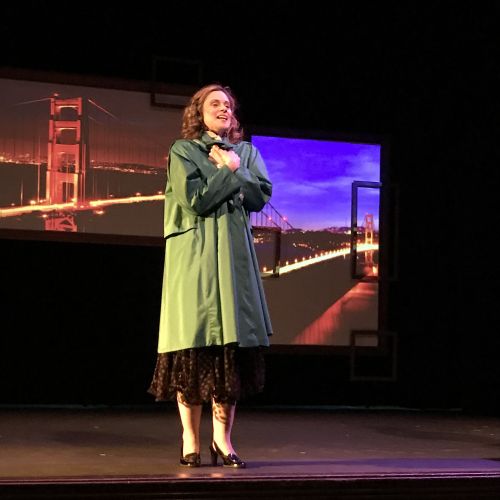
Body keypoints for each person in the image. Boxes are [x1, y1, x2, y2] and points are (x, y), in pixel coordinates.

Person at [148, 83, 273, 468]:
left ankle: (223, 439)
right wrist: (228, 173)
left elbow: (259, 197)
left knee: (228, 351)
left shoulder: (247, 152)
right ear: (198, 112)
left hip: (233, 259)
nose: (223, 109)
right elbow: (195, 201)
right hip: (196, 258)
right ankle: (190, 440)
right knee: (194, 344)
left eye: (228, 105)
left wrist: (237, 169)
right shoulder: (184, 150)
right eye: (214, 103)